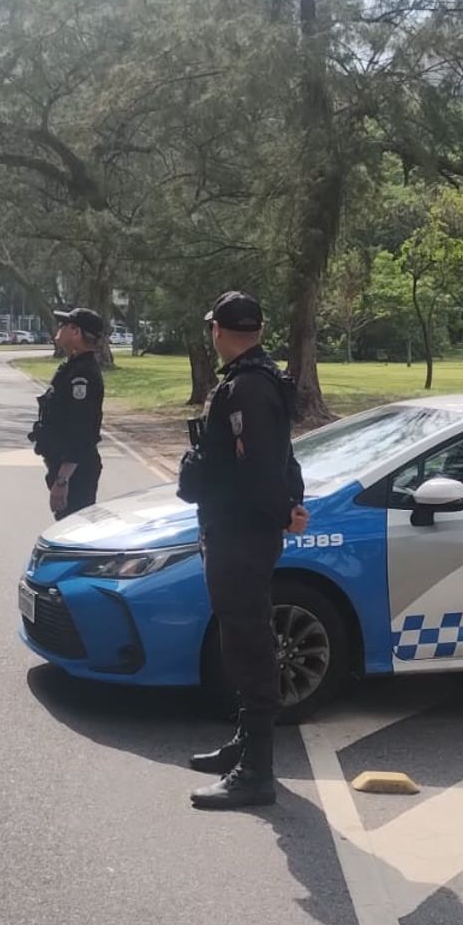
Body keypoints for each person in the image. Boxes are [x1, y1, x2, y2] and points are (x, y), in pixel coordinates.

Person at [178, 291, 308, 811]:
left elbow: (258, 467)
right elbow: (283, 457)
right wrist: (289, 503)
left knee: (249, 643)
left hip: (240, 533)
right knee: (241, 638)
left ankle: (256, 773)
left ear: (217, 332)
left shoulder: (247, 388)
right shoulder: (260, 380)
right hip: (240, 528)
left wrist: (282, 510)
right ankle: (245, 743)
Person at [29, 309, 107, 520]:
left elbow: (81, 431)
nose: (59, 329)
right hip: (64, 466)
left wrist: (63, 480)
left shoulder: (83, 375)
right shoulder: (72, 367)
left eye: (64, 325)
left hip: (76, 471)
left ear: (76, 332)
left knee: (74, 535)